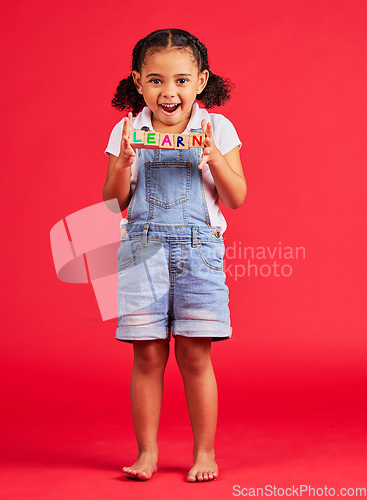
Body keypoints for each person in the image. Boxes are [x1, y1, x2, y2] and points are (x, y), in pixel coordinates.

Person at [102, 28, 247, 483]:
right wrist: (124, 163)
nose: (169, 91)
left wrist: (213, 158)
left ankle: (205, 452)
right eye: (157, 80)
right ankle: (147, 452)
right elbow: (113, 202)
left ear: (201, 81)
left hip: (198, 250)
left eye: (182, 80)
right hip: (141, 248)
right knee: (146, 355)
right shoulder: (128, 128)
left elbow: (238, 196)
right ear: (138, 81)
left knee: (195, 353)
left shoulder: (217, 127)